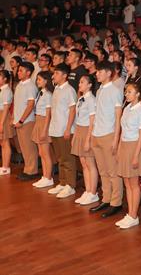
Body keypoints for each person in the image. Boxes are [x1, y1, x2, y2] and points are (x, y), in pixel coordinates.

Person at [90, 62, 124, 218]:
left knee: (113, 171)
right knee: (103, 170)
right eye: (97, 71)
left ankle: (116, 202)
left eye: (100, 71)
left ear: (109, 73)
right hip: (97, 133)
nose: (97, 74)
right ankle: (106, 198)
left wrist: (115, 139)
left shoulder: (115, 91)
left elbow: (118, 117)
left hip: (109, 134)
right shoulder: (99, 90)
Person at [115, 82, 141, 229]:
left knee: (134, 184)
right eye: (126, 92)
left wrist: (136, 156)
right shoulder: (127, 108)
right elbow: (123, 130)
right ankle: (130, 214)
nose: (126, 94)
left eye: (129, 92)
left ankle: (134, 215)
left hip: (135, 147)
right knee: (127, 183)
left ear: (138, 94)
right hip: (125, 146)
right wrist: (119, 148)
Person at [47, 64, 78, 197]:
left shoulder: (69, 90)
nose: (53, 76)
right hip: (55, 128)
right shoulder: (56, 89)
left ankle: (70, 185)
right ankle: (63, 182)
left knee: (67, 159)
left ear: (65, 75)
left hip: (64, 129)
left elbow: (72, 110)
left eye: (57, 73)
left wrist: (68, 129)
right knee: (60, 158)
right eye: (54, 73)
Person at [70, 74, 99, 205]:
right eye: (80, 82)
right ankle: (87, 191)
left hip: (88, 131)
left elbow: (92, 120)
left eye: (82, 82)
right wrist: (75, 135)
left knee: (90, 163)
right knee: (83, 163)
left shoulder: (91, 100)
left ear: (90, 85)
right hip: (80, 130)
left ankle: (93, 192)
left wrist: (88, 139)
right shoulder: (81, 99)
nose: (79, 84)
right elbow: (78, 118)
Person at [13, 61, 39, 180]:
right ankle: (27, 169)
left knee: (29, 147)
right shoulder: (20, 84)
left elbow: (30, 105)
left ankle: (32, 171)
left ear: (28, 73)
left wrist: (22, 120)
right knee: (23, 147)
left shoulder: (31, 86)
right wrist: (14, 118)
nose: (18, 72)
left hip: (27, 121)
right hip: (19, 121)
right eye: (18, 70)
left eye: (21, 70)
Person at [31, 71, 54, 187]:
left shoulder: (48, 95)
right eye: (37, 79)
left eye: (39, 79)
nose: (37, 81)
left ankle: (48, 177)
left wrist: (45, 130)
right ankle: (44, 176)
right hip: (38, 120)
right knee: (41, 152)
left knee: (45, 153)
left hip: (44, 122)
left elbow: (49, 113)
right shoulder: (41, 93)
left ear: (46, 81)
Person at [0, 70, 13, 176]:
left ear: (5, 79)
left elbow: (6, 108)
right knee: (2, 142)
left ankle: (6, 167)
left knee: (5, 142)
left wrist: (1, 123)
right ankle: (4, 166)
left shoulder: (7, 91)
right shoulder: (2, 90)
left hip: (3, 116)